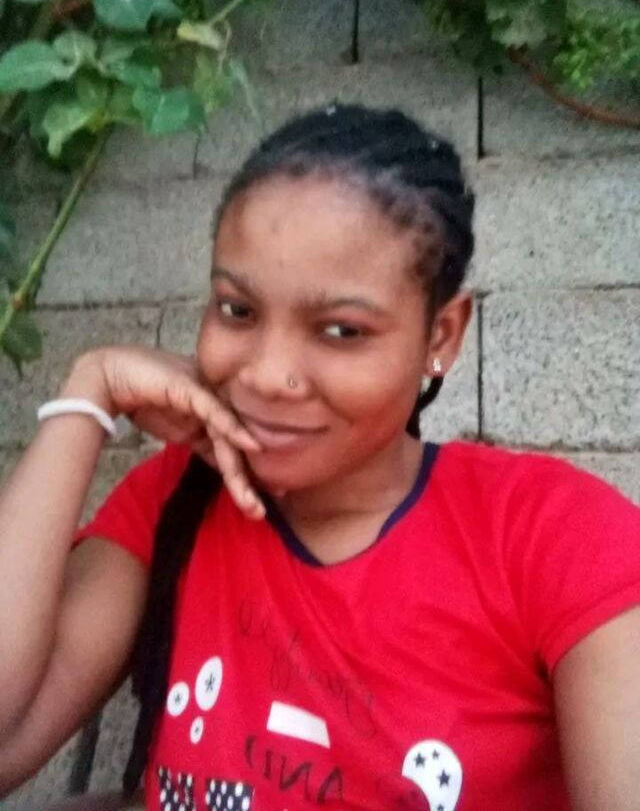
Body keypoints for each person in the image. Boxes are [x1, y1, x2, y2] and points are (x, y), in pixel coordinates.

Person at [0, 105, 639, 811]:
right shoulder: (172, 500)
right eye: (237, 310)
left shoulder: (554, 535)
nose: (267, 374)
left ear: (441, 336)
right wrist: (89, 394)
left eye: (341, 330)